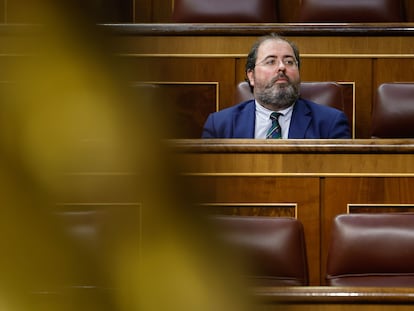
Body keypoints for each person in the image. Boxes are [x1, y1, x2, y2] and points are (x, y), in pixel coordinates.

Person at [202, 33, 351, 139]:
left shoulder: (330, 123)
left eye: (289, 62)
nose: (281, 67)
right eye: (271, 61)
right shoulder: (220, 126)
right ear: (251, 75)